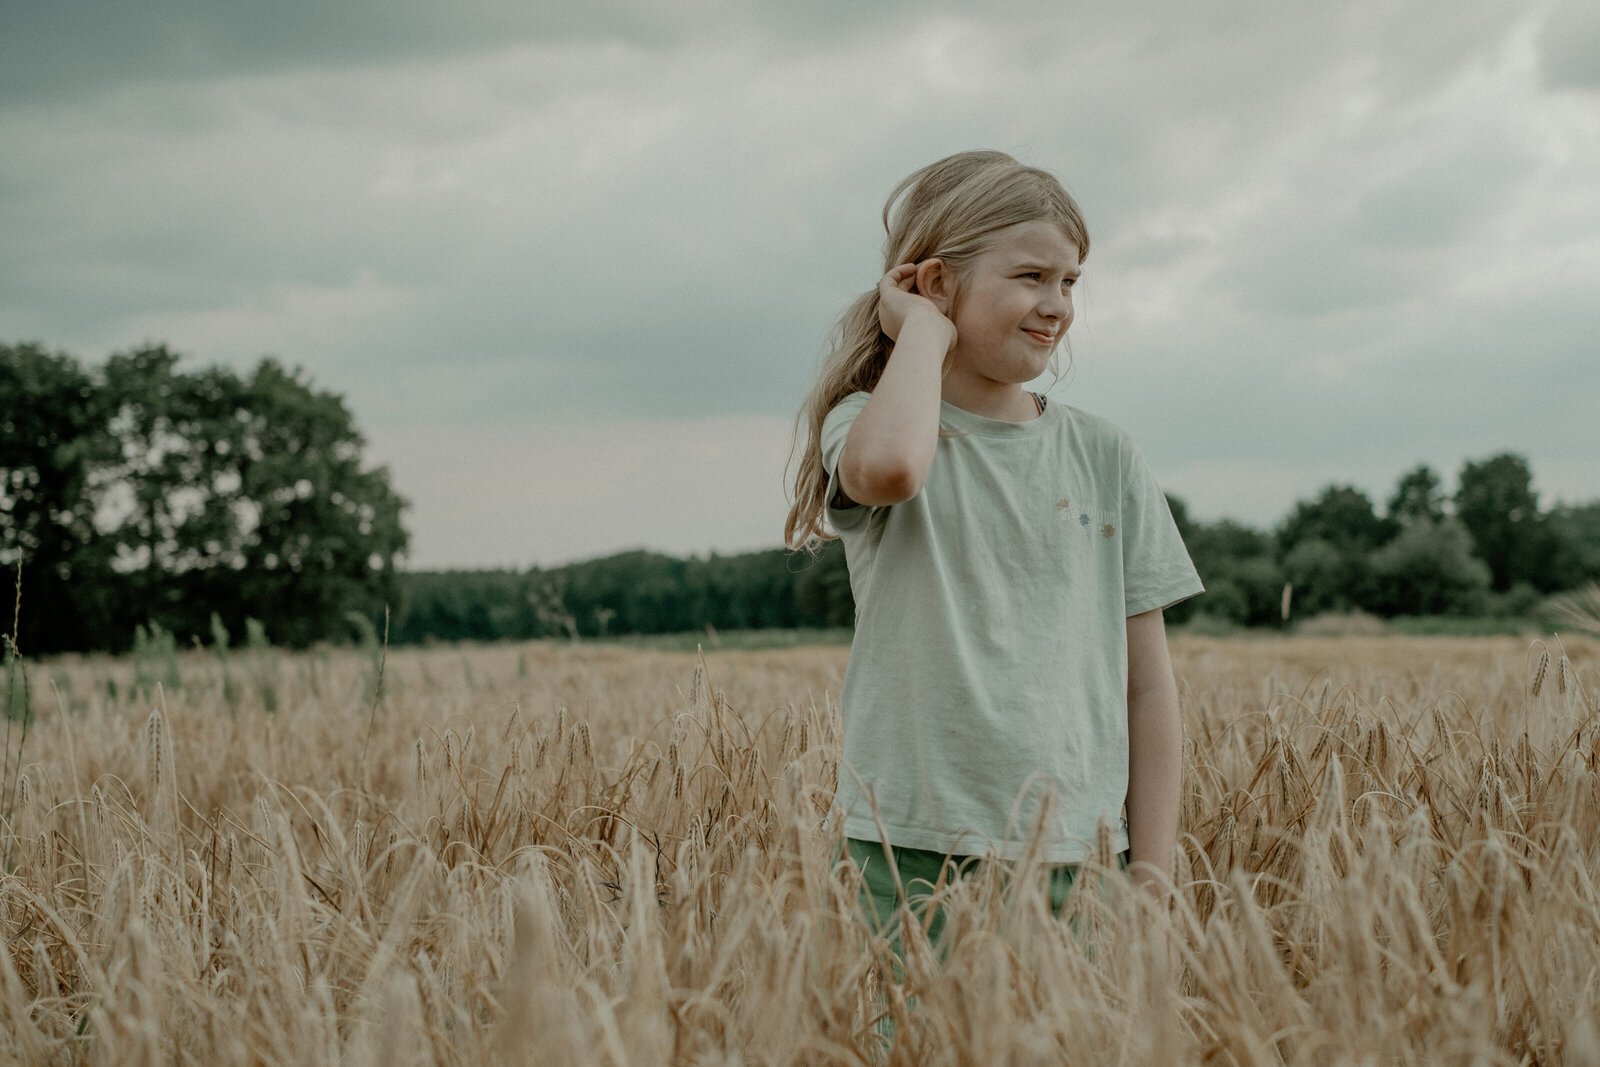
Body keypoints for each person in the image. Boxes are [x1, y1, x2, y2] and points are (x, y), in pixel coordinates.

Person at [784, 151, 1203, 944]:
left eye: (1070, 281)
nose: (1057, 306)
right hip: (903, 854)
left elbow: (1148, 687)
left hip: (1078, 860)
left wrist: (1152, 882)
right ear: (935, 283)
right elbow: (894, 469)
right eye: (1032, 277)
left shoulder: (1105, 455)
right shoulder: (871, 425)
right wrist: (921, 332)